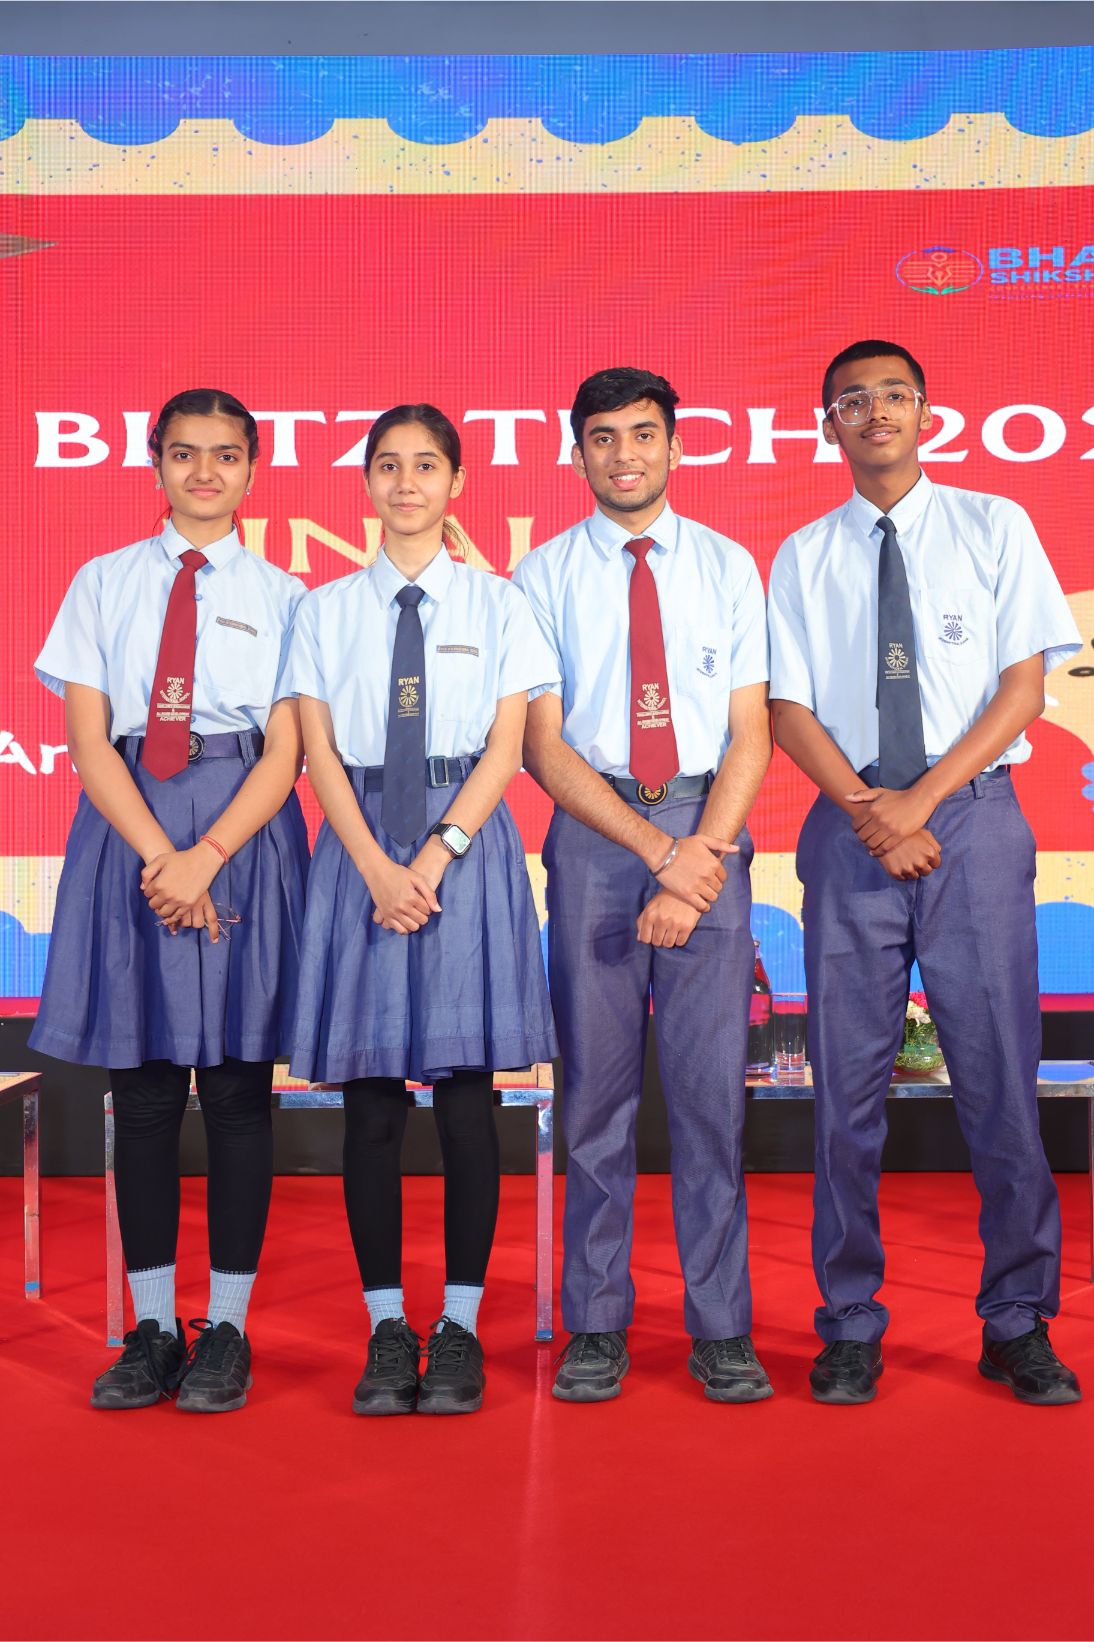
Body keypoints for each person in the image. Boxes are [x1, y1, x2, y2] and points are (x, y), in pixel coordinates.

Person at [767, 339, 1083, 1406]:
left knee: (998, 1085)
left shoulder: (995, 524)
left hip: (974, 825)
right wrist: (871, 810)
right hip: (849, 829)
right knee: (844, 1098)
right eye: (851, 400)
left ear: (925, 411)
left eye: (892, 395)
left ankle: (1017, 1319)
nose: (875, 412)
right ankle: (849, 1322)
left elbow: (1022, 689)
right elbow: (786, 707)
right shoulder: (803, 553)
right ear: (828, 424)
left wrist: (921, 799)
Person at [31, 388, 309, 1413]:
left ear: (252, 469)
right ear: (155, 462)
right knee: (144, 1092)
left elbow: (288, 749)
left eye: (225, 455)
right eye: (185, 453)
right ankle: (149, 1329)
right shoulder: (101, 582)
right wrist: (164, 857)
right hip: (130, 828)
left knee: (236, 1091)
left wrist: (212, 853)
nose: (204, 472)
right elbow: (86, 737)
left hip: (243, 826)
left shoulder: (289, 596)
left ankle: (226, 1329)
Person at [283, 404, 558, 1416]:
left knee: (467, 1102)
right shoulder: (322, 610)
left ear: (457, 483)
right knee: (368, 1106)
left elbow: (506, 747)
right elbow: (315, 749)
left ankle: (461, 1327)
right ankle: (387, 1326)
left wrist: (436, 854)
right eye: (389, 466)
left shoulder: (500, 603)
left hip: (464, 852)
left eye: (427, 465)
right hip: (356, 851)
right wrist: (372, 864)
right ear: (365, 482)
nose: (407, 483)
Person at [513, 367, 772, 1404]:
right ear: (576, 450)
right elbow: (542, 746)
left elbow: (749, 731)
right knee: (595, 1100)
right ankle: (595, 1319)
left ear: (674, 444)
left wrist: (697, 852)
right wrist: (656, 854)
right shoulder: (541, 575)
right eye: (604, 437)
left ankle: (721, 1326)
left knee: (711, 1100)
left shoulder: (727, 564)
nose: (625, 454)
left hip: (708, 829)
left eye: (643, 434)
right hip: (595, 835)